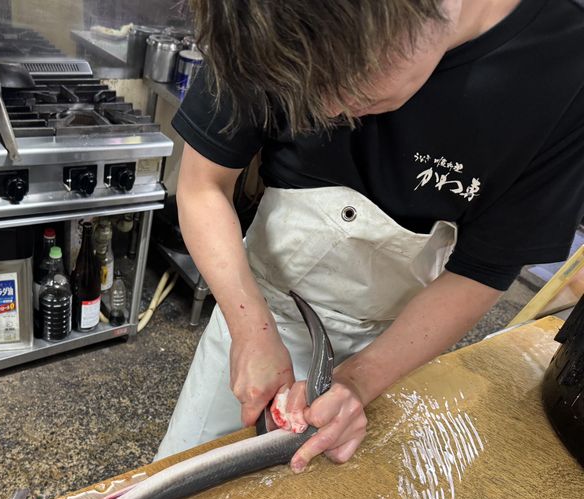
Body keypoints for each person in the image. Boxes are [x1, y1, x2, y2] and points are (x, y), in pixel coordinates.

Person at [155, 0, 584, 470]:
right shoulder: (258, 13)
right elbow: (203, 186)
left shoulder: (566, 64)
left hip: (402, 338)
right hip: (257, 304)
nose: (324, 111)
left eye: (348, 82)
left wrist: (361, 380)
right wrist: (250, 331)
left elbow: (484, 268)